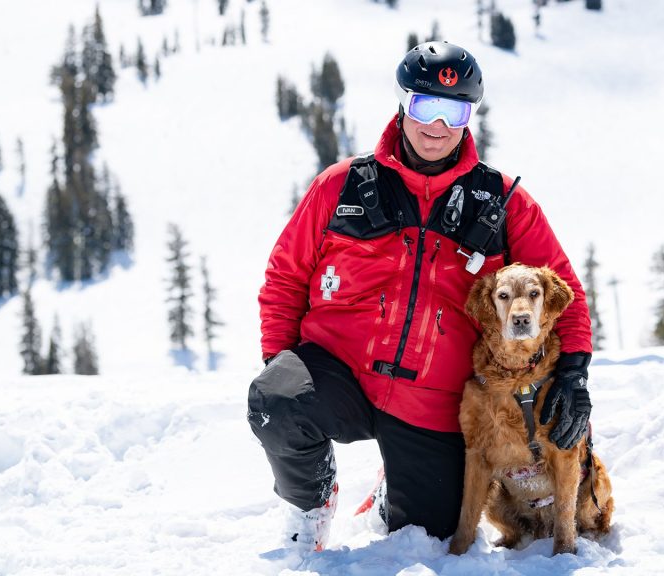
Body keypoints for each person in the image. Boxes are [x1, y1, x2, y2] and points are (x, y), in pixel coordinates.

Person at [247, 40, 593, 552]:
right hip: (338, 370)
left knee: (430, 534)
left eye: (453, 110)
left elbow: (566, 291)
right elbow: (285, 278)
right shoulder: (340, 187)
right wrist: (282, 366)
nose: (436, 124)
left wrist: (573, 375)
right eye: (423, 104)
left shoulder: (503, 203)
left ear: (469, 115)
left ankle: (395, 488)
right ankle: (311, 504)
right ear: (402, 103)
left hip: (433, 402)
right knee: (276, 404)